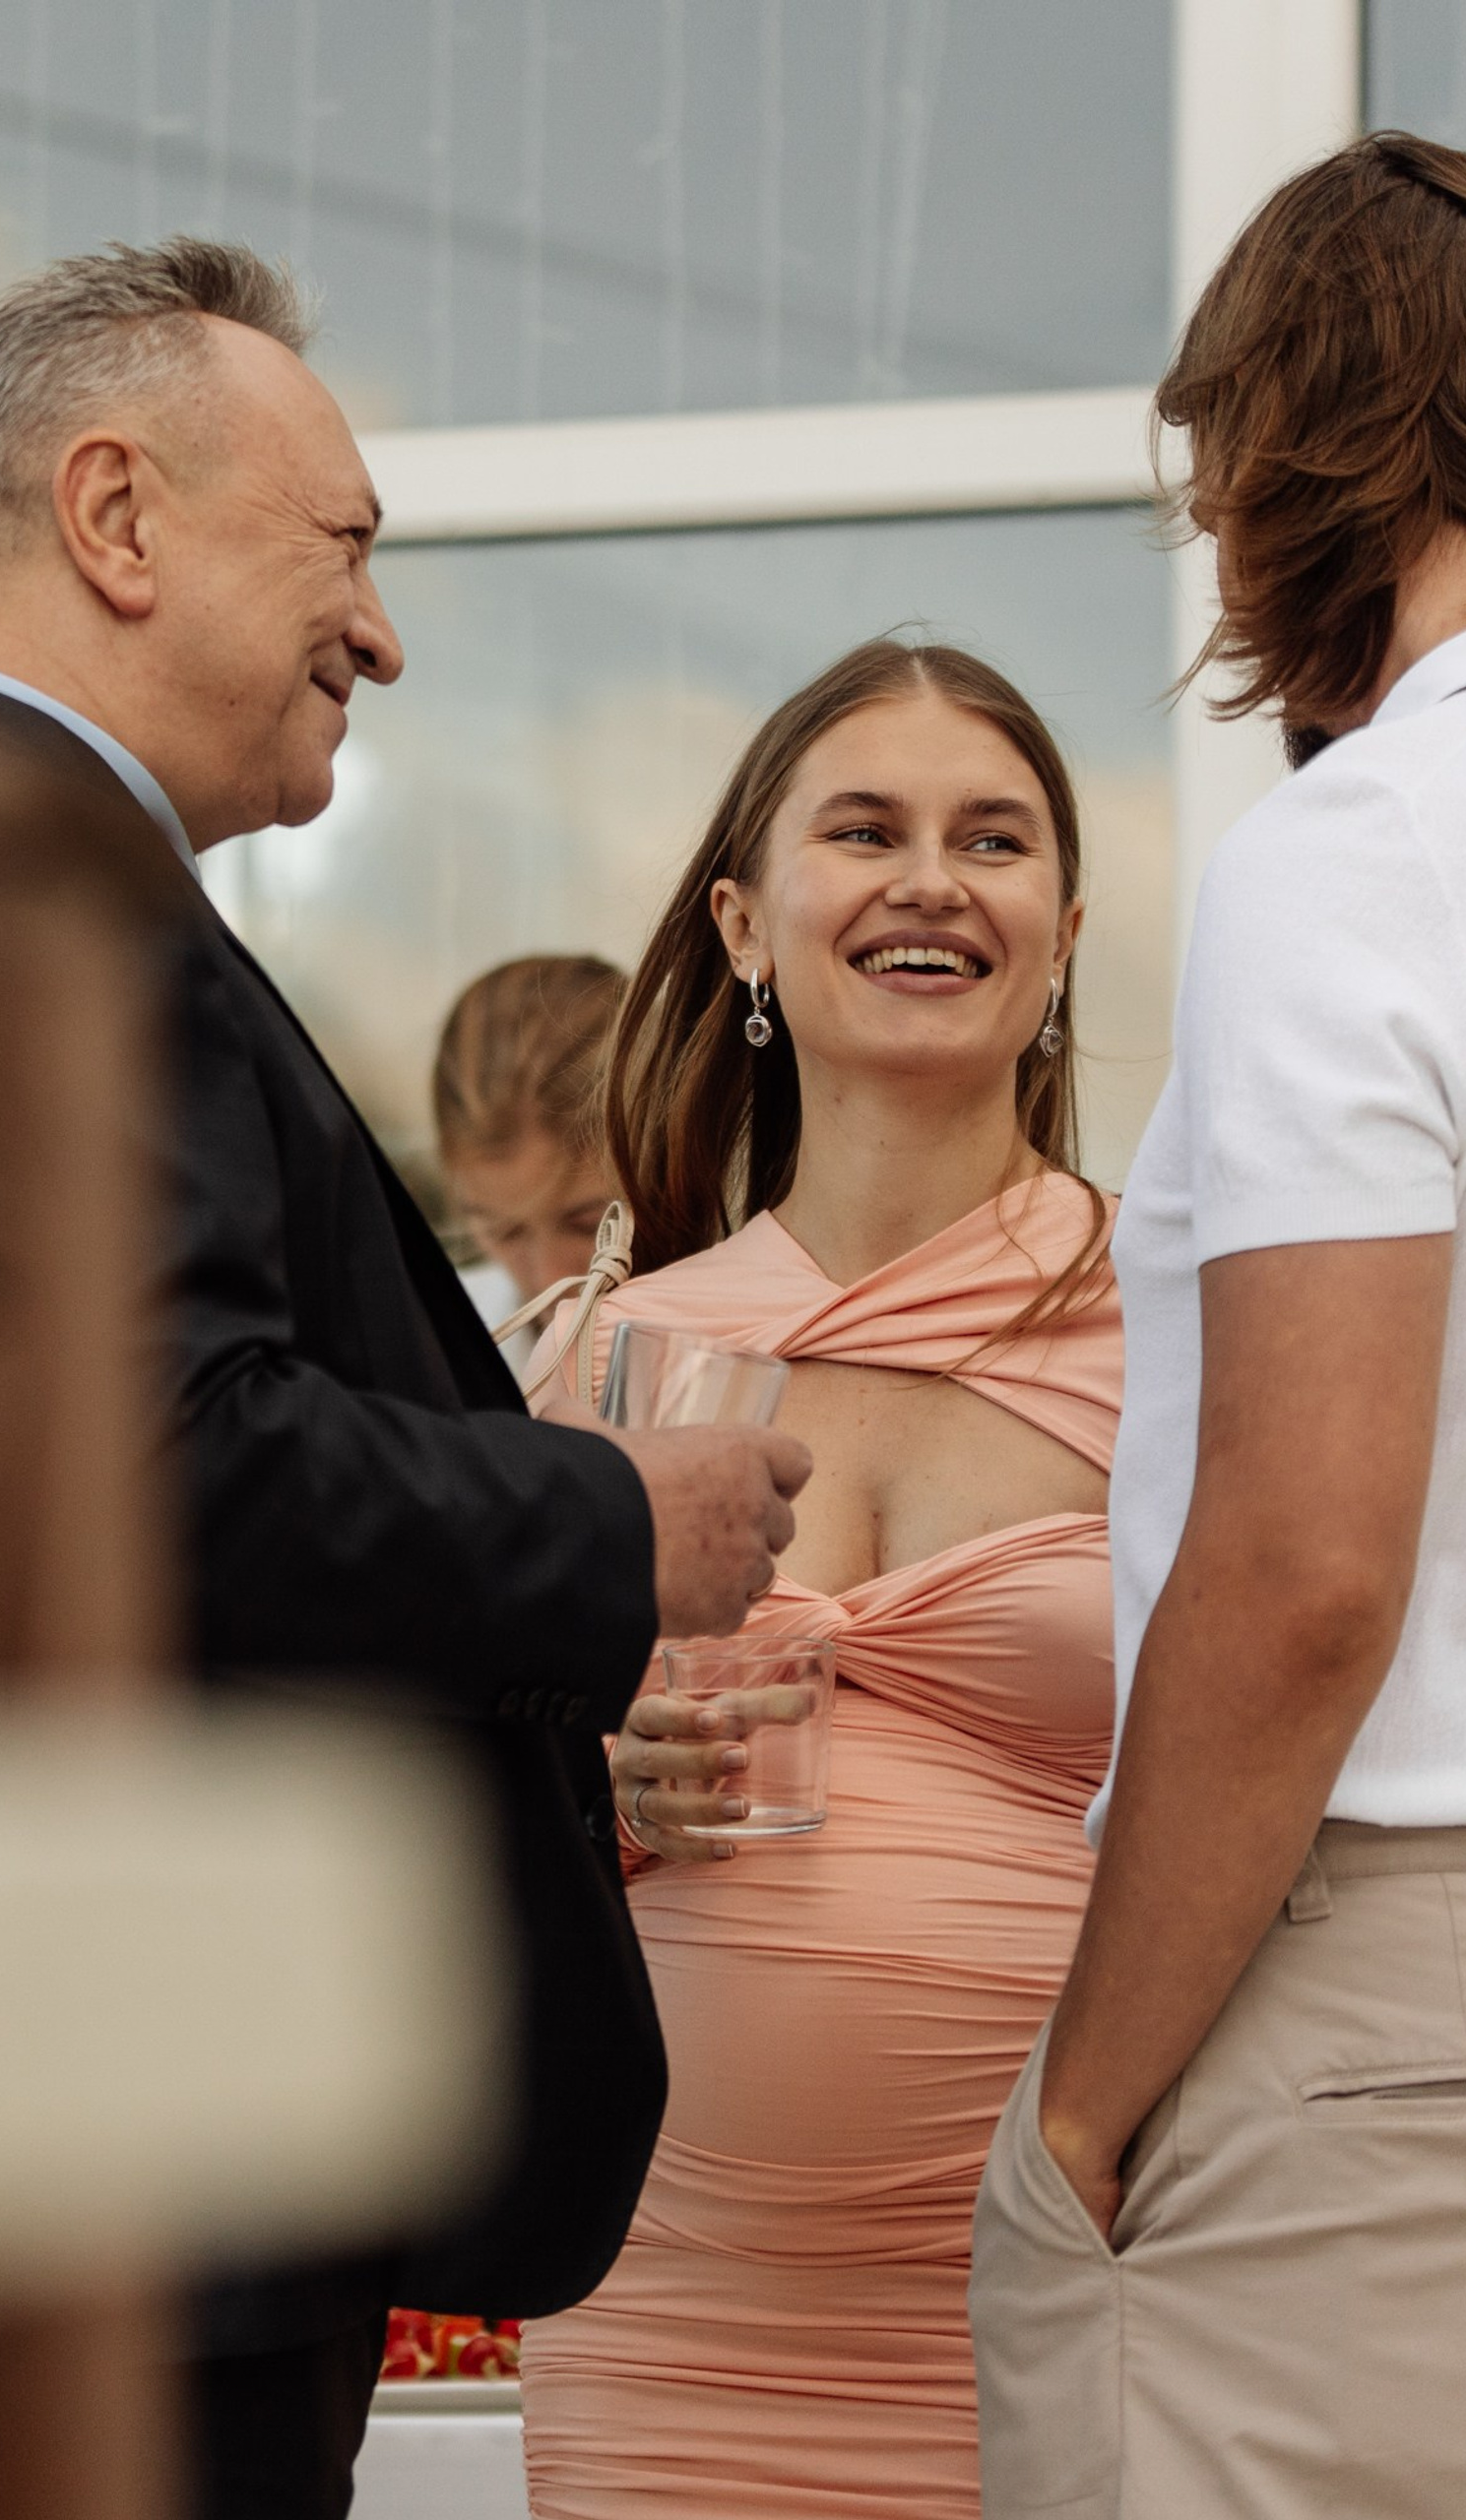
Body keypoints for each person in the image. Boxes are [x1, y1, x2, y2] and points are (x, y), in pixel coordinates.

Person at [0, 238, 808, 2520]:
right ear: (114, 519)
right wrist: (608, 1525)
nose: (377, 631)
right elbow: (155, 1463)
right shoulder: (52, 898)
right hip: (143, 2168)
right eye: (345, 547)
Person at [973, 133, 1466, 2520]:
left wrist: (1077, 2102)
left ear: (1289, 451)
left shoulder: (1371, 843)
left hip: (1379, 2009)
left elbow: (1301, 1566)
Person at [518, 639, 1119, 2518]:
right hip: (663, 2311)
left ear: (1064, 932)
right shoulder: (603, 1367)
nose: (931, 878)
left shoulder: (1187, 1331)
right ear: (747, 926)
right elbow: (426, 1816)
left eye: (993, 839)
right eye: (864, 829)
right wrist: (568, 1796)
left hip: (1077, 2286)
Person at [433, 955, 630, 1311]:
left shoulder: (742, 1344)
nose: (547, 1280)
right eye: (503, 1232)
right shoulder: (437, 1329)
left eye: (591, 1226)